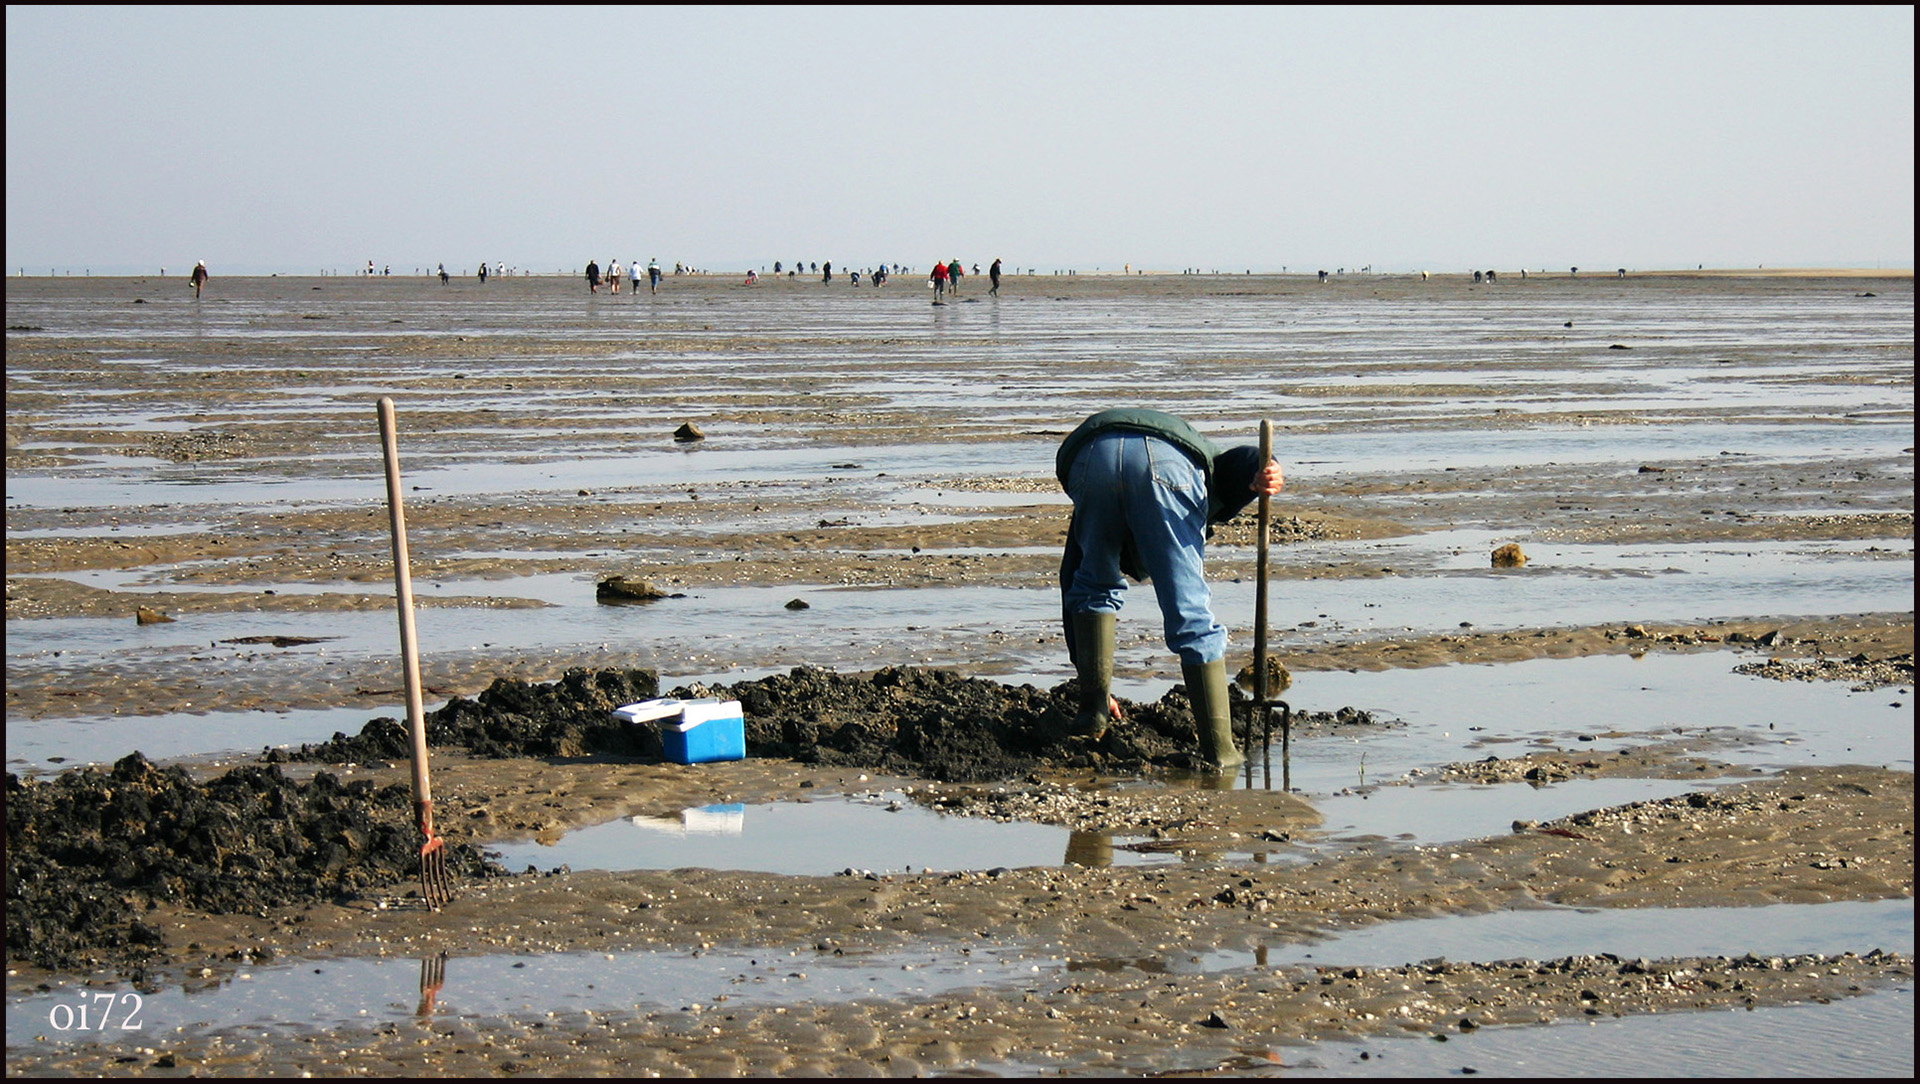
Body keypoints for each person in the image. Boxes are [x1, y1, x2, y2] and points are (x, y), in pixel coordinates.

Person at [1055, 408, 1285, 769]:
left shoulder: (1217, 476)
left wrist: (1088, 679)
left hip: (1090, 455)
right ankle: (1221, 752)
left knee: (1091, 587)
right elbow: (1241, 459)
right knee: (1188, 609)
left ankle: (1092, 716)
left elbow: (1070, 581)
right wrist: (1266, 465)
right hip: (1166, 466)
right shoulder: (1211, 477)